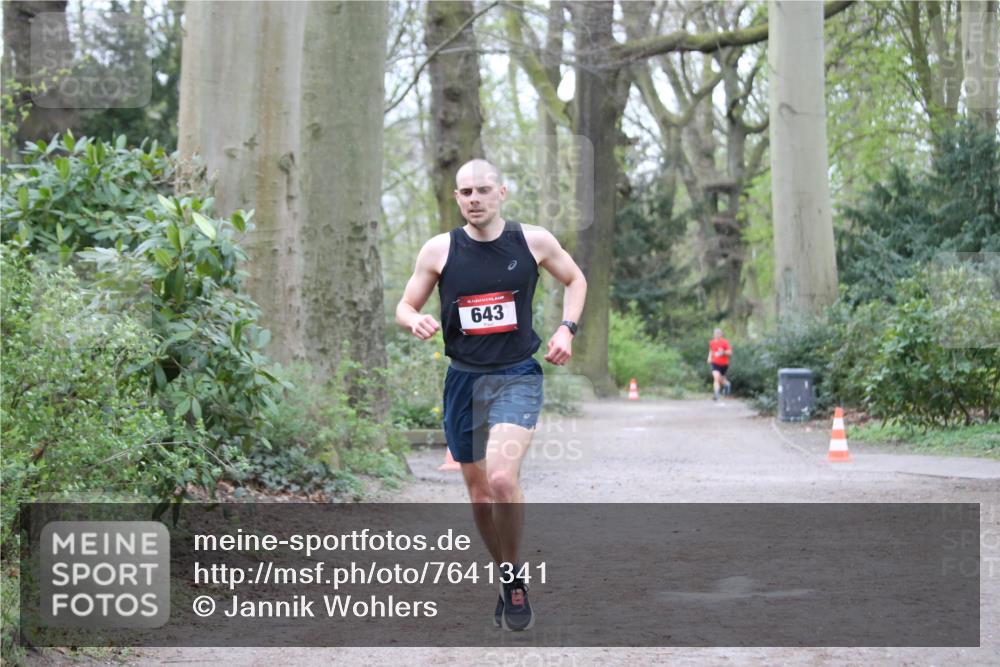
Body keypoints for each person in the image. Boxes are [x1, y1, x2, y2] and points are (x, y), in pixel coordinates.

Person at [395, 159, 586, 631]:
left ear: (501, 193)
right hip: (464, 380)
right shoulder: (439, 250)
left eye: (482, 190)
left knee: (501, 478)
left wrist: (567, 328)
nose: (474, 199)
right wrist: (414, 319)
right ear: (457, 198)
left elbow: (575, 279)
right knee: (480, 497)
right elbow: (404, 305)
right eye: (466, 192)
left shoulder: (532, 241)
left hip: (517, 375)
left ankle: (515, 579)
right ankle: (505, 573)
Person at [707, 327, 733, 401]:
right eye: (716, 333)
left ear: (721, 334)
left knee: (721, 380)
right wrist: (709, 357)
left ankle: (727, 384)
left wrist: (723, 352)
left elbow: (730, 352)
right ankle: (716, 394)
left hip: (724, 364)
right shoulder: (712, 342)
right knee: (716, 378)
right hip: (715, 363)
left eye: (718, 333)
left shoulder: (724, 342)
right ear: (713, 334)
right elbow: (711, 351)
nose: (717, 335)